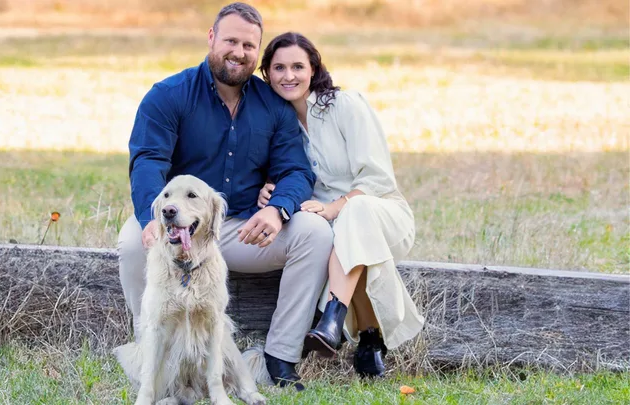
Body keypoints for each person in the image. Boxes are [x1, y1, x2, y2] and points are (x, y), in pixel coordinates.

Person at [117, 4, 334, 391]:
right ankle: (155, 354)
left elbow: (297, 171)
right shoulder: (169, 96)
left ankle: (280, 357)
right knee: (133, 241)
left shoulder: (272, 105)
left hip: (244, 230)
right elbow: (148, 160)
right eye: (231, 40)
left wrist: (279, 210)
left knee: (314, 233)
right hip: (182, 231)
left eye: (250, 45)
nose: (239, 51)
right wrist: (153, 218)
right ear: (211, 38)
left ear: (258, 51)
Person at [257, 32, 425, 378]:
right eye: (279, 68)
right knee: (346, 239)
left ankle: (333, 316)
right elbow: (286, 177)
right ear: (267, 74)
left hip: (383, 214)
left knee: (355, 214)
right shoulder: (279, 126)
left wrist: (336, 206)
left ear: (314, 68)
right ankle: (369, 341)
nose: (289, 76)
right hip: (340, 233)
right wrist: (268, 191)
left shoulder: (345, 105)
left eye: (298, 66)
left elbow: (378, 180)